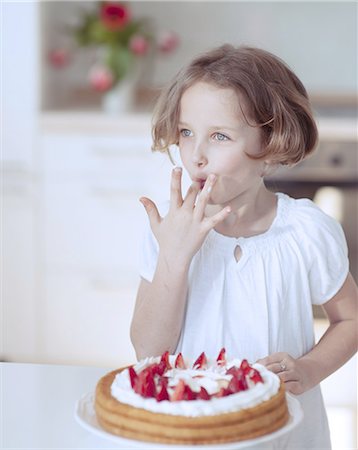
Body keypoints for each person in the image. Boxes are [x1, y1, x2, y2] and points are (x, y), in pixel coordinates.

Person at [130, 44, 357, 448]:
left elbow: (351, 321)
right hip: (190, 432)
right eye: (186, 133)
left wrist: (310, 369)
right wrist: (175, 258)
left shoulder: (305, 232)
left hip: (285, 431)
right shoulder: (169, 230)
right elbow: (148, 349)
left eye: (219, 136)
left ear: (271, 147)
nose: (195, 155)